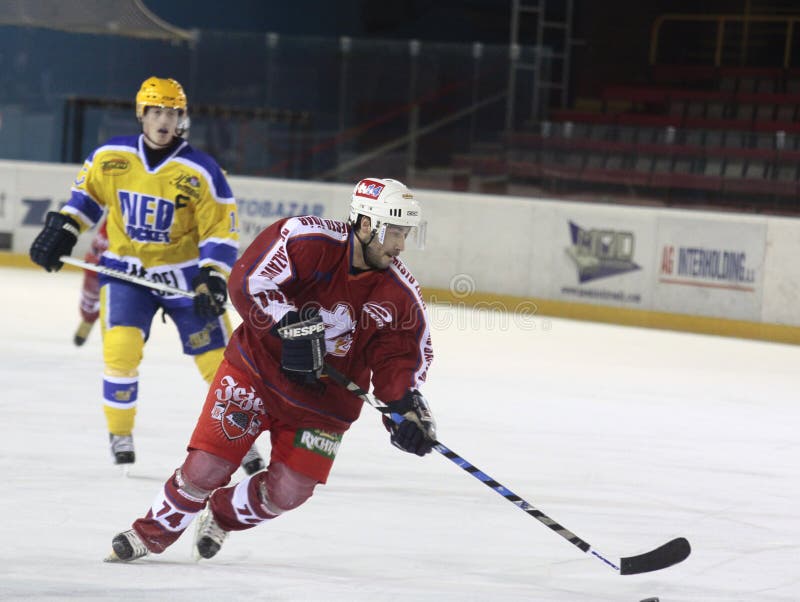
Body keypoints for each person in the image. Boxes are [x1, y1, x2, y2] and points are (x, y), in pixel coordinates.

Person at [105, 177, 437, 562]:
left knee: (289, 492)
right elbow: (249, 280)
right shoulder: (305, 239)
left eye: (405, 234)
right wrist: (289, 327)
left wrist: (405, 409)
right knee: (207, 467)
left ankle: (223, 515)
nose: (399, 245)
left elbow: (398, 359)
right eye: (393, 232)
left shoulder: (400, 293)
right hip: (256, 374)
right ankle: (151, 533)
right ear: (365, 224)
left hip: (323, 405)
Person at [29, 76, 265, 475]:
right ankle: (120, 434)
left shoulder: (203, 171)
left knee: (221, 365)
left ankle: (239, 442)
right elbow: (84, 200)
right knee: (120, 353)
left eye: (172, 112)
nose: (163, 120)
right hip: (126, 273)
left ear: (182, 118)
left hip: (185, 277)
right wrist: (62, 230)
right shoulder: (110, 157)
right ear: (142, 113)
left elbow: (219, 232)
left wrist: (212, 277)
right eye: (156, 111)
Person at [73, 220, 108, 347]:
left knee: (122, 309)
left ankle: (117, 340)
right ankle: (88, 320)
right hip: (96, 264)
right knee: (90, 301)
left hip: (125, 266)